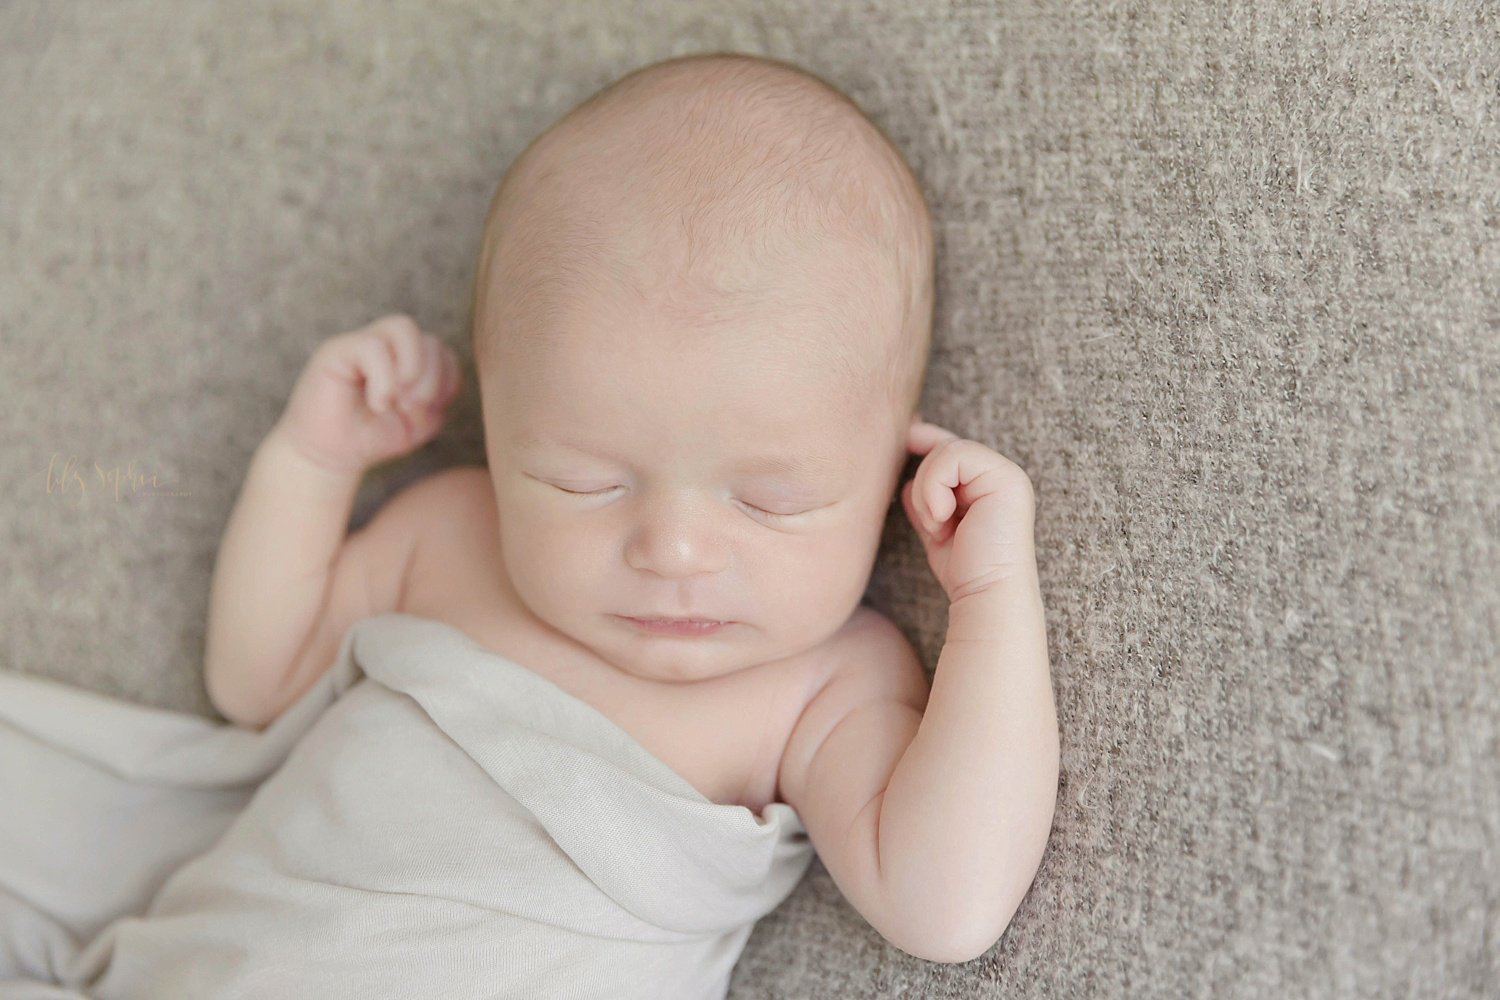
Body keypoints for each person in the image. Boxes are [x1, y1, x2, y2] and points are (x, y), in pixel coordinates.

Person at [205, 50, 1059, 966]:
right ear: (497, 426)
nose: (674, 550)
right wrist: (311, 461)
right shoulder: (449, 537)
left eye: (771, 500)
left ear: (893, 463)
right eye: (585, 481)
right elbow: (256, 682)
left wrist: (993, 598)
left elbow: (947, 908)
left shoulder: (821, 688)